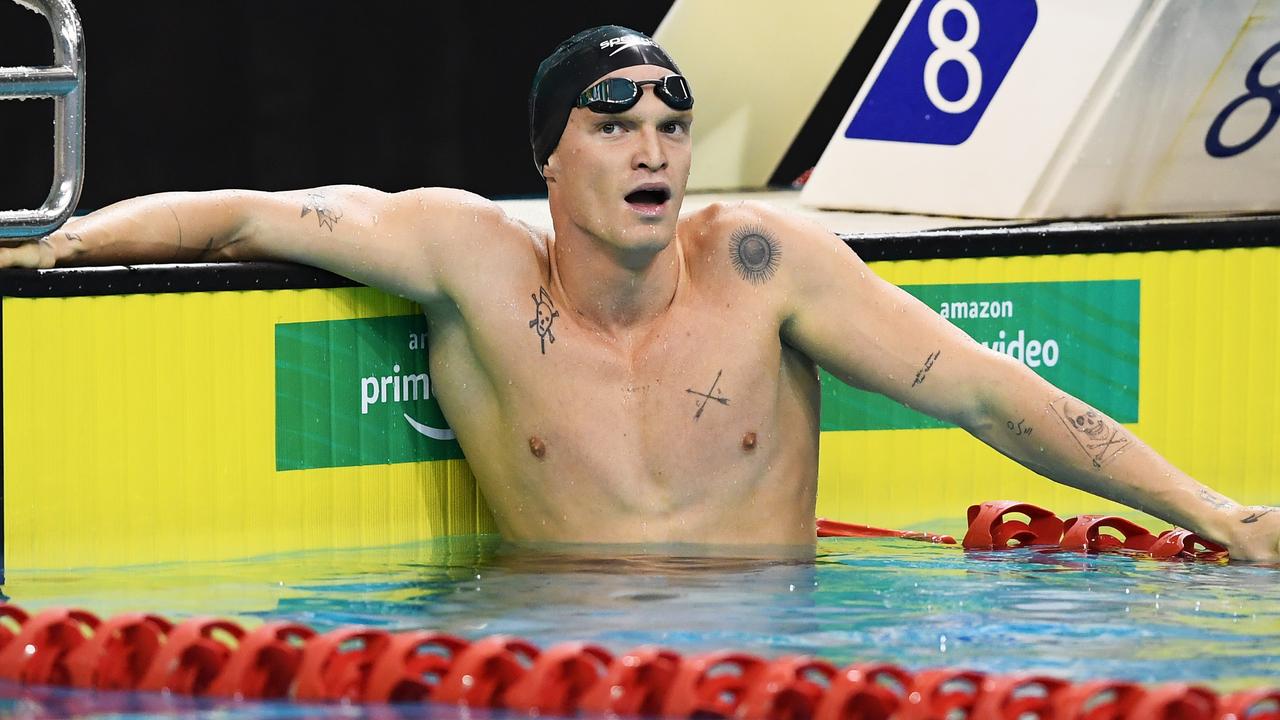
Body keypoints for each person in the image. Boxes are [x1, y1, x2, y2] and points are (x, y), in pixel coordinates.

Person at [2, 26, 1276, 560]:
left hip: (777, 662)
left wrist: (1213, 514)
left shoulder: (764, 264)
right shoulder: (468, 260)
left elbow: (997, 399)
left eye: (672, 119)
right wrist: (53, 252)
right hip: (556, 669)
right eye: (611, 121)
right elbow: (233, 216)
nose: (653, 144)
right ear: (547, 156)